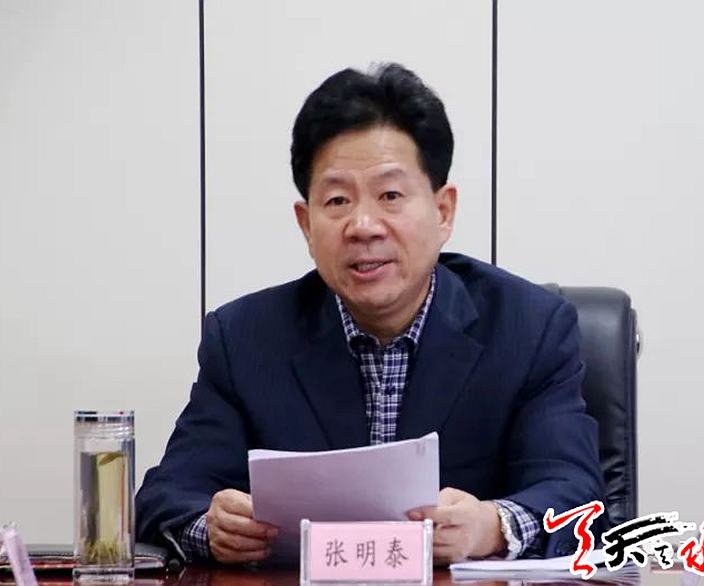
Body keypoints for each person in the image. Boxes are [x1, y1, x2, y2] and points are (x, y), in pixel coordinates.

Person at [135, 63, 605, 565]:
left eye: (390, 196)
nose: (363, 225)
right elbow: (166, 496)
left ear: (443, 211)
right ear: (306, 223)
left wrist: (491, 527)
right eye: (337, 200)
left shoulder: (529, 329)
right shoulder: (245, 340)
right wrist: (212, 529)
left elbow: (576, 496)